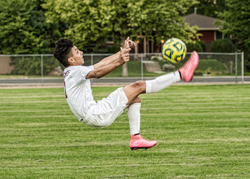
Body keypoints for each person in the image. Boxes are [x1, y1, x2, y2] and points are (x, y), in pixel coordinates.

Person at [53, 37, 199, 151]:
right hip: (96, 114)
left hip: (94, 114)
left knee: (134, 98)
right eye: (77, 52)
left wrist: (122, 51)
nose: (82, 52)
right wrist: (118, 63)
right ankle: (181, 74)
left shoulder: (72, 72)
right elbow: (97, 73)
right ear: (71, 60)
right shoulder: (75, 71)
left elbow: (101, 63)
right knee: (139, 86)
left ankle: (136, 138)